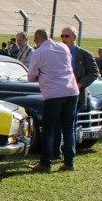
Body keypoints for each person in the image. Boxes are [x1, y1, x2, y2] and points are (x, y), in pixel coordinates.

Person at [27, 29, 79, 172]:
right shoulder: (63, 47)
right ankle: (69, 162)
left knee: (49, 129)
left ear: (37, 40)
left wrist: (42, 76)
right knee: (69, 128)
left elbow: (31, 77)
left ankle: (45, 163)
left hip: (53, 93)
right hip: (71, 90)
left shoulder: (38, 53)